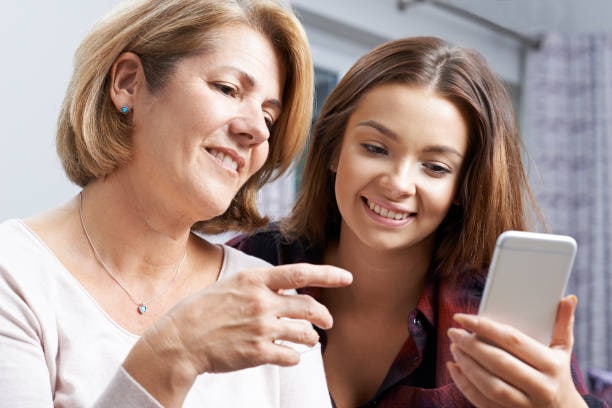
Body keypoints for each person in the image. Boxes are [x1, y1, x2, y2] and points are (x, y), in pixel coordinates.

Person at [0, 0, 354, 407]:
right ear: (128, 83)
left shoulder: (267, 301)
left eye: (269, 118)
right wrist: (174, 353)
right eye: (228, 89)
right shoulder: (15, 274)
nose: (256, 130)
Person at [229, 36, 608, 407]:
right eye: (375, 148)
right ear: (333, 151)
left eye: (435, 167)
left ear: (462, 187)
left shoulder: (490, 316)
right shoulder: (254, 265)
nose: (397, 183)